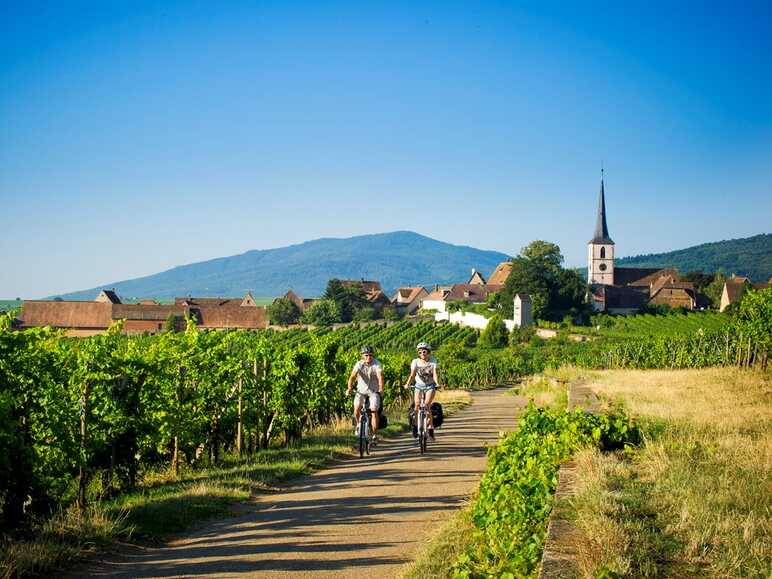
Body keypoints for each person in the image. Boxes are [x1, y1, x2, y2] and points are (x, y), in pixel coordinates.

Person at [346, 345, 384, 446]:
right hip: (361, 391)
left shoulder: (377, 364)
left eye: (370, 355)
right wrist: (349, 388)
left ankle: (374, 434)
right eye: (366, 355)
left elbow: (380, 377)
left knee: (374, 410)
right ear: (362, 356)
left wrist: (381, 389)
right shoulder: (359, 364)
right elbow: (352, 377)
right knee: (356, 407)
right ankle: (358, 424)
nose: (368, 357)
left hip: (373, 391)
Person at [403, 341, 442, 440]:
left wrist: (437, 383)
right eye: (420, 352)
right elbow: (412, 375)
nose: (422, 354)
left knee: (427, 405)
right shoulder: (415, 361)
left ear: (428, 352)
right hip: (418, 386)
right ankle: (415, 427)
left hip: (430, 386)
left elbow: (435, 374)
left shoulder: (432, 361)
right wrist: (407, 384)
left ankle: (430, 429)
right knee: (416, 405)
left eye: (424, 352)